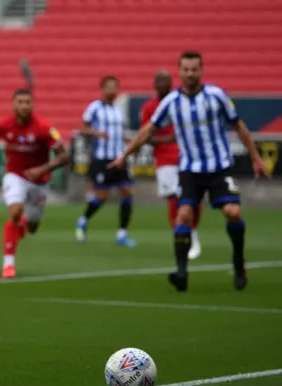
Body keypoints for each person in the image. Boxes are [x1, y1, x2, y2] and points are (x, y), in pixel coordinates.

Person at [109, 51, 270, 292]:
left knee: (233, 212)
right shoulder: (172, 102)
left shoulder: (216, 96)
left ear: (201, 70)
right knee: (183, 215)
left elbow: (239, 125)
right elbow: (147, 131)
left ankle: (238, 264)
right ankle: (181, 272)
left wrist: (256, 157)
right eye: (186, 69)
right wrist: (124, 155)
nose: (190, 74)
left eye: (194, 69)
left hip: (219, 167)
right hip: (190, 170)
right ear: (180, 71)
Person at [0, 88, 68, 278]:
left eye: (27, 102)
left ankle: (24, 224)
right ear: (14, 104)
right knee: (15, 211)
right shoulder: (4, 125)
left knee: (33, 226)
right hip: (15, 176)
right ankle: (8, 264)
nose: (24, 106)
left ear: (32, 105)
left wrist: (42, 169)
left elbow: (64, 156)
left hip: (39, 181)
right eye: (20, 102)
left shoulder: (43, 128)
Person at [140, 70, 202, 260]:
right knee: (174, 199)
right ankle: (183, 233)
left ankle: (193, 231)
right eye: (159, 81)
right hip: (165, 161)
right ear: (154, 85)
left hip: (188, 158)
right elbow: (147, 136)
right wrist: (168, 139)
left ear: (170, 83)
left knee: (193, 199)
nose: (162, 85)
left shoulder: (179, 102)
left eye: (165, 81)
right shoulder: (150, 107)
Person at [76, 76, 136, 247]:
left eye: (115, 87)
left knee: (127, 193)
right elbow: (83, 128)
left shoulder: (118, 111)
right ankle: (83, 220)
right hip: (102, 159)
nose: (112, 91)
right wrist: (96, 133)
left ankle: (122, 233)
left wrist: (128, 142)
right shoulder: (94, 108)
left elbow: (118, 133)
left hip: (119, 158)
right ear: (102, 89)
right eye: (109, 87)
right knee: (102, 197)